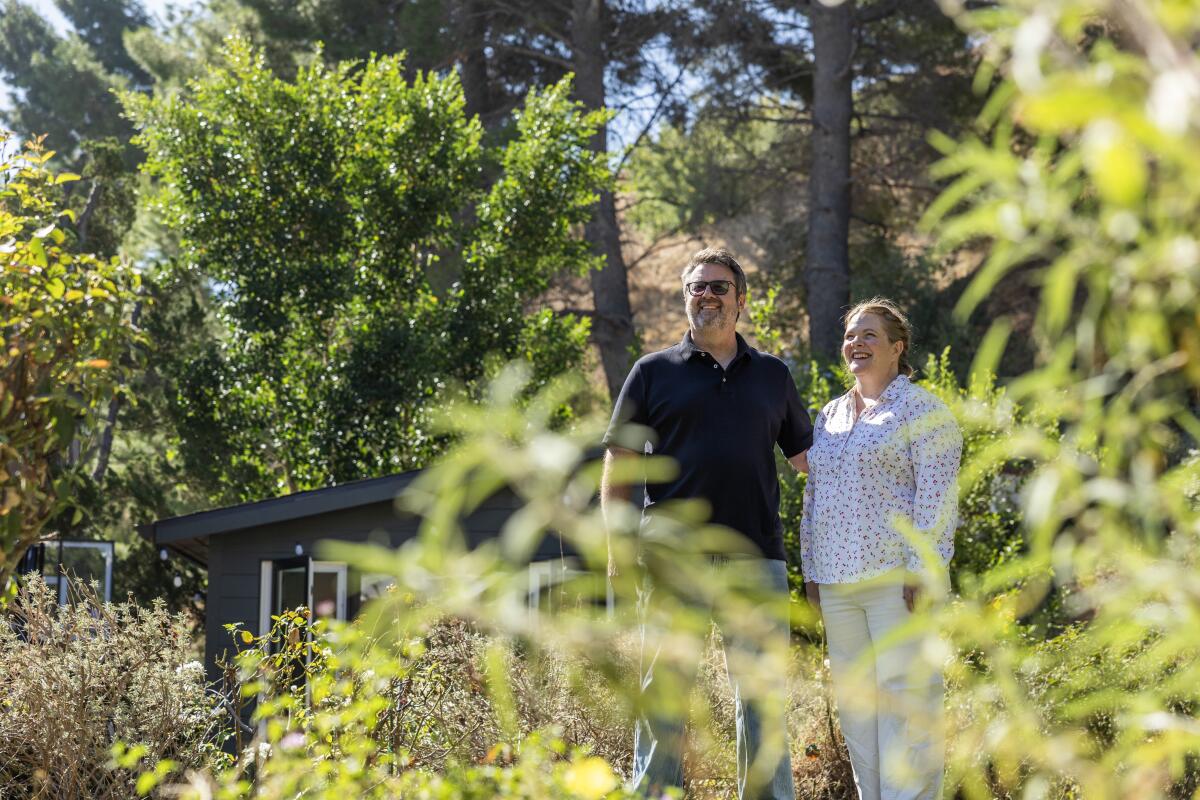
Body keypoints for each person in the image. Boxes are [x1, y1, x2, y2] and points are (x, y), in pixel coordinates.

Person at [600, 247, 813, 800]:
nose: (707, 296)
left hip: (757, 557)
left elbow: (812, 464)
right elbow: (618, 465)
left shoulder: (773, 375)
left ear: (741, 301)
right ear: (684, 299)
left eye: (719, 287)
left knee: (763, 701)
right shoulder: (651, 373)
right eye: (697, 287)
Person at [800, 298, 962, 800]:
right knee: (859, 711)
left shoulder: (925, 412)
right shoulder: (829, 415)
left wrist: (923, 573)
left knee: (907, 708)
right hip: (837, 585)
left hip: (897, 583)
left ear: (897, 347)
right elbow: (814, 496)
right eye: (851, 334)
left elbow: (936, 502)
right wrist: (811, 574)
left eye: (869, 335)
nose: (857, 343)